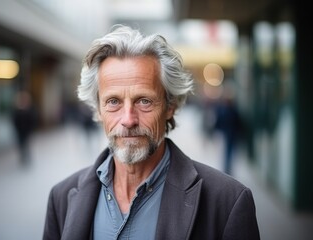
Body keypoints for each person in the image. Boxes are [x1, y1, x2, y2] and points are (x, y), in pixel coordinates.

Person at [43, 25, 260, 240]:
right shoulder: (61, 198)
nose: (128, 120)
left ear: (170, 106)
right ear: (98, 110)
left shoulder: (227, 202)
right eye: (113, 102)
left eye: (144, 101)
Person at [12, 90, 36, 166]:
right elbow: (15, 120)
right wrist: (17, 128)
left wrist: (30, 130)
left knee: (26, 144)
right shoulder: (18, 110)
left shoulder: (29, 110)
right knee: (21, 144)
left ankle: (27, 157)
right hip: (20, 131)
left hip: (27, 131)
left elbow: (32, 121)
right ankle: (23, 157)